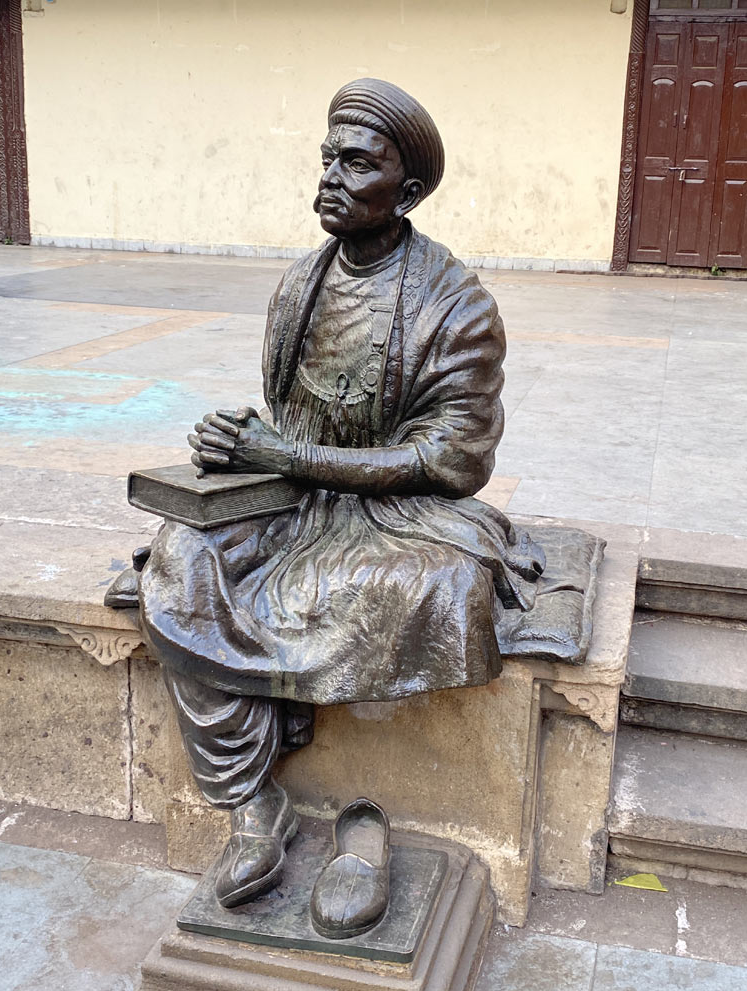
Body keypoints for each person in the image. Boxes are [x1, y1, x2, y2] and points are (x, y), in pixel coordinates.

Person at [138, 78, 544, 922]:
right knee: (182, 562)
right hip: (292, 499)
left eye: (356, 163)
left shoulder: (458, 305)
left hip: (401, 512)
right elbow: (287, 420)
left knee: (444, 588)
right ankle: (252, 803)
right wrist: (242, 443)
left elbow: (454, 460)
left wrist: (289, 452)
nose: (329, 176)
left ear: (407, 191)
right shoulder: (300, 285)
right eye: (327, 158)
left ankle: (342, 802)